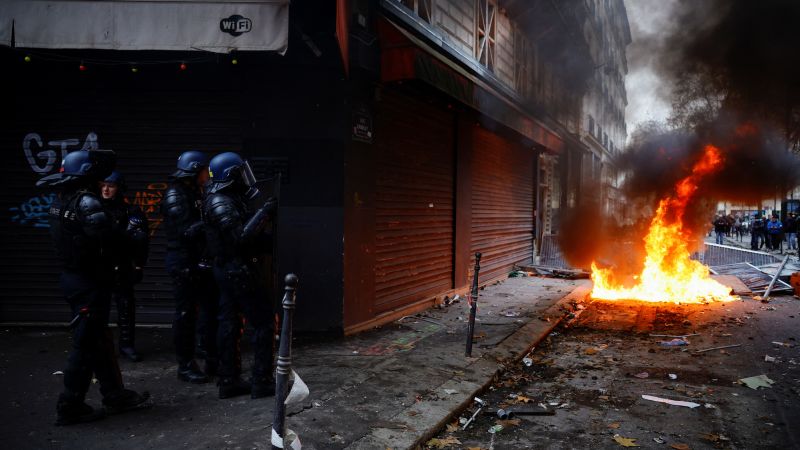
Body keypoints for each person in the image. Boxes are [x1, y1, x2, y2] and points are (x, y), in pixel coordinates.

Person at [43, 150, 149, 425]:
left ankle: (114, 394)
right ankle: (70, 405)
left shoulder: (61, 199)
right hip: (88, 282)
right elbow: (108, 240)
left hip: (77, 279)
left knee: (99, 340)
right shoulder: (86, 201)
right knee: (86, 344)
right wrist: (132, 237)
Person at [204, 152, 278, 399]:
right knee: (264, 323)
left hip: (229, 270)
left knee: (230, 323)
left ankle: (229, 380)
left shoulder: (223, 198)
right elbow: (241, 238)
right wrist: (265, 213)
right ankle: (262, 381)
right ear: (231, 175)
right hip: (238, 270)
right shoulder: (220, 202)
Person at [162, 151, 219, 383]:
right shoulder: (176, 195)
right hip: (183, 262)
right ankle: (185, 366)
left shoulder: (194, 191)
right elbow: (185, 232)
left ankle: (208, 355)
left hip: (198, 261)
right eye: (204, 170)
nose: (207, 175)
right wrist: (211, 222)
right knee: (185, 315)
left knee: (208, 309)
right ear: (195, 171)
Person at [100, 172, 149, 362]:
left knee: (126, 308)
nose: (105, 189)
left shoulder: (131, 211)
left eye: (110, 185)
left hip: (122, 265)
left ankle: (127, 345)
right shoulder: (92, 208)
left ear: (118, 188)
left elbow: (142, 241)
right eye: (103, 185)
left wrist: (139, 266)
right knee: (97, 309)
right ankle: (99, 348)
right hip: (100, 266)